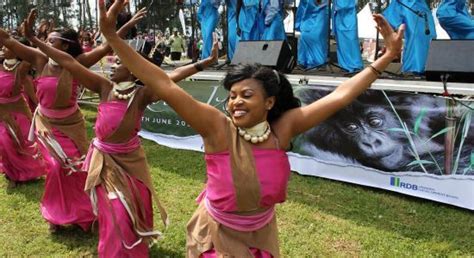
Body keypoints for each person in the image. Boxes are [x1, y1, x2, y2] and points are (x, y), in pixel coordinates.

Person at [100, 0, 404, 256]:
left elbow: (339, 96)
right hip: (217, 237)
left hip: (261, 235)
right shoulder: (217, 128)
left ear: (269, 102)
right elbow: (164, 83)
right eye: (232, 96)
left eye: (246, 95)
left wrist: (385, 58)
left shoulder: (282, 130)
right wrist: (112, 38)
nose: (235, 103)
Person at [29, 6, 219, 256]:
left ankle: (131, 245)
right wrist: (35, 40)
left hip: (130, 160)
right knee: (113, 209)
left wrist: (204, 63)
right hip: (103, 160)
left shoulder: (142, 95)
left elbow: (171, 77)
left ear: (134, 70)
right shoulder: (104, 87)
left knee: (132, 206)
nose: (111, 66)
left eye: (118, 63)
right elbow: (67, 61)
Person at [0, 7, 144, 233]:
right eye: (45, 40)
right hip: (47, 126)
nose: (46, 44)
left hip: (72, 126)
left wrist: (124, 26)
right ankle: (56, 214)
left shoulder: (77, 62)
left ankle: (83, 212)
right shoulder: (39, 60)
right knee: (58, 167)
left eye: (52, 41)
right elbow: (8, 39)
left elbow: (108, 44)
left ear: (65, 46)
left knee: (77, 170)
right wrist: (30, 37)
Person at [0, 36, 46, 189]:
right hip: (2, 113)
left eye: (7, 47)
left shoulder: (23, 66)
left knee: (22, 143)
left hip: (18, 111)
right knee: (5, 144)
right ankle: (11, 174)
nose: (3, 48)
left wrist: (30, 35)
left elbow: (36, 55)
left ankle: (28, 172)